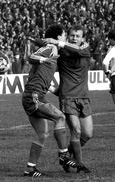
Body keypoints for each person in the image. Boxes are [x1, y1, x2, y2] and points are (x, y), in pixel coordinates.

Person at [22, 24, 79, 178]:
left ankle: (30, 168)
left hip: (33, 95)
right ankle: (64, 155)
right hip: (34, 96)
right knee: (60, 117)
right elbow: (31, 58)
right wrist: (43, 59)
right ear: (58, 37)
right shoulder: (52, 48)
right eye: (64, 35)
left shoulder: (54, 51)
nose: (66, 37)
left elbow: (43, 76)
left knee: (42, 133)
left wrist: (55, 90)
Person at [39, 25, 93, 173]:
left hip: (84, 97)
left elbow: (80, 51)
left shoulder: (85, 49)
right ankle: (80, 164)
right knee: (76, 130)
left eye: (77, 36)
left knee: (87, 134)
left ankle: (66, 155)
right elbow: (44, 51)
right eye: (72, 35)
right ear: (68, 36)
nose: (74, 38)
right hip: (68, 98)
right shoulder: (60, 52)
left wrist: (57, 42)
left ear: (82, 38)